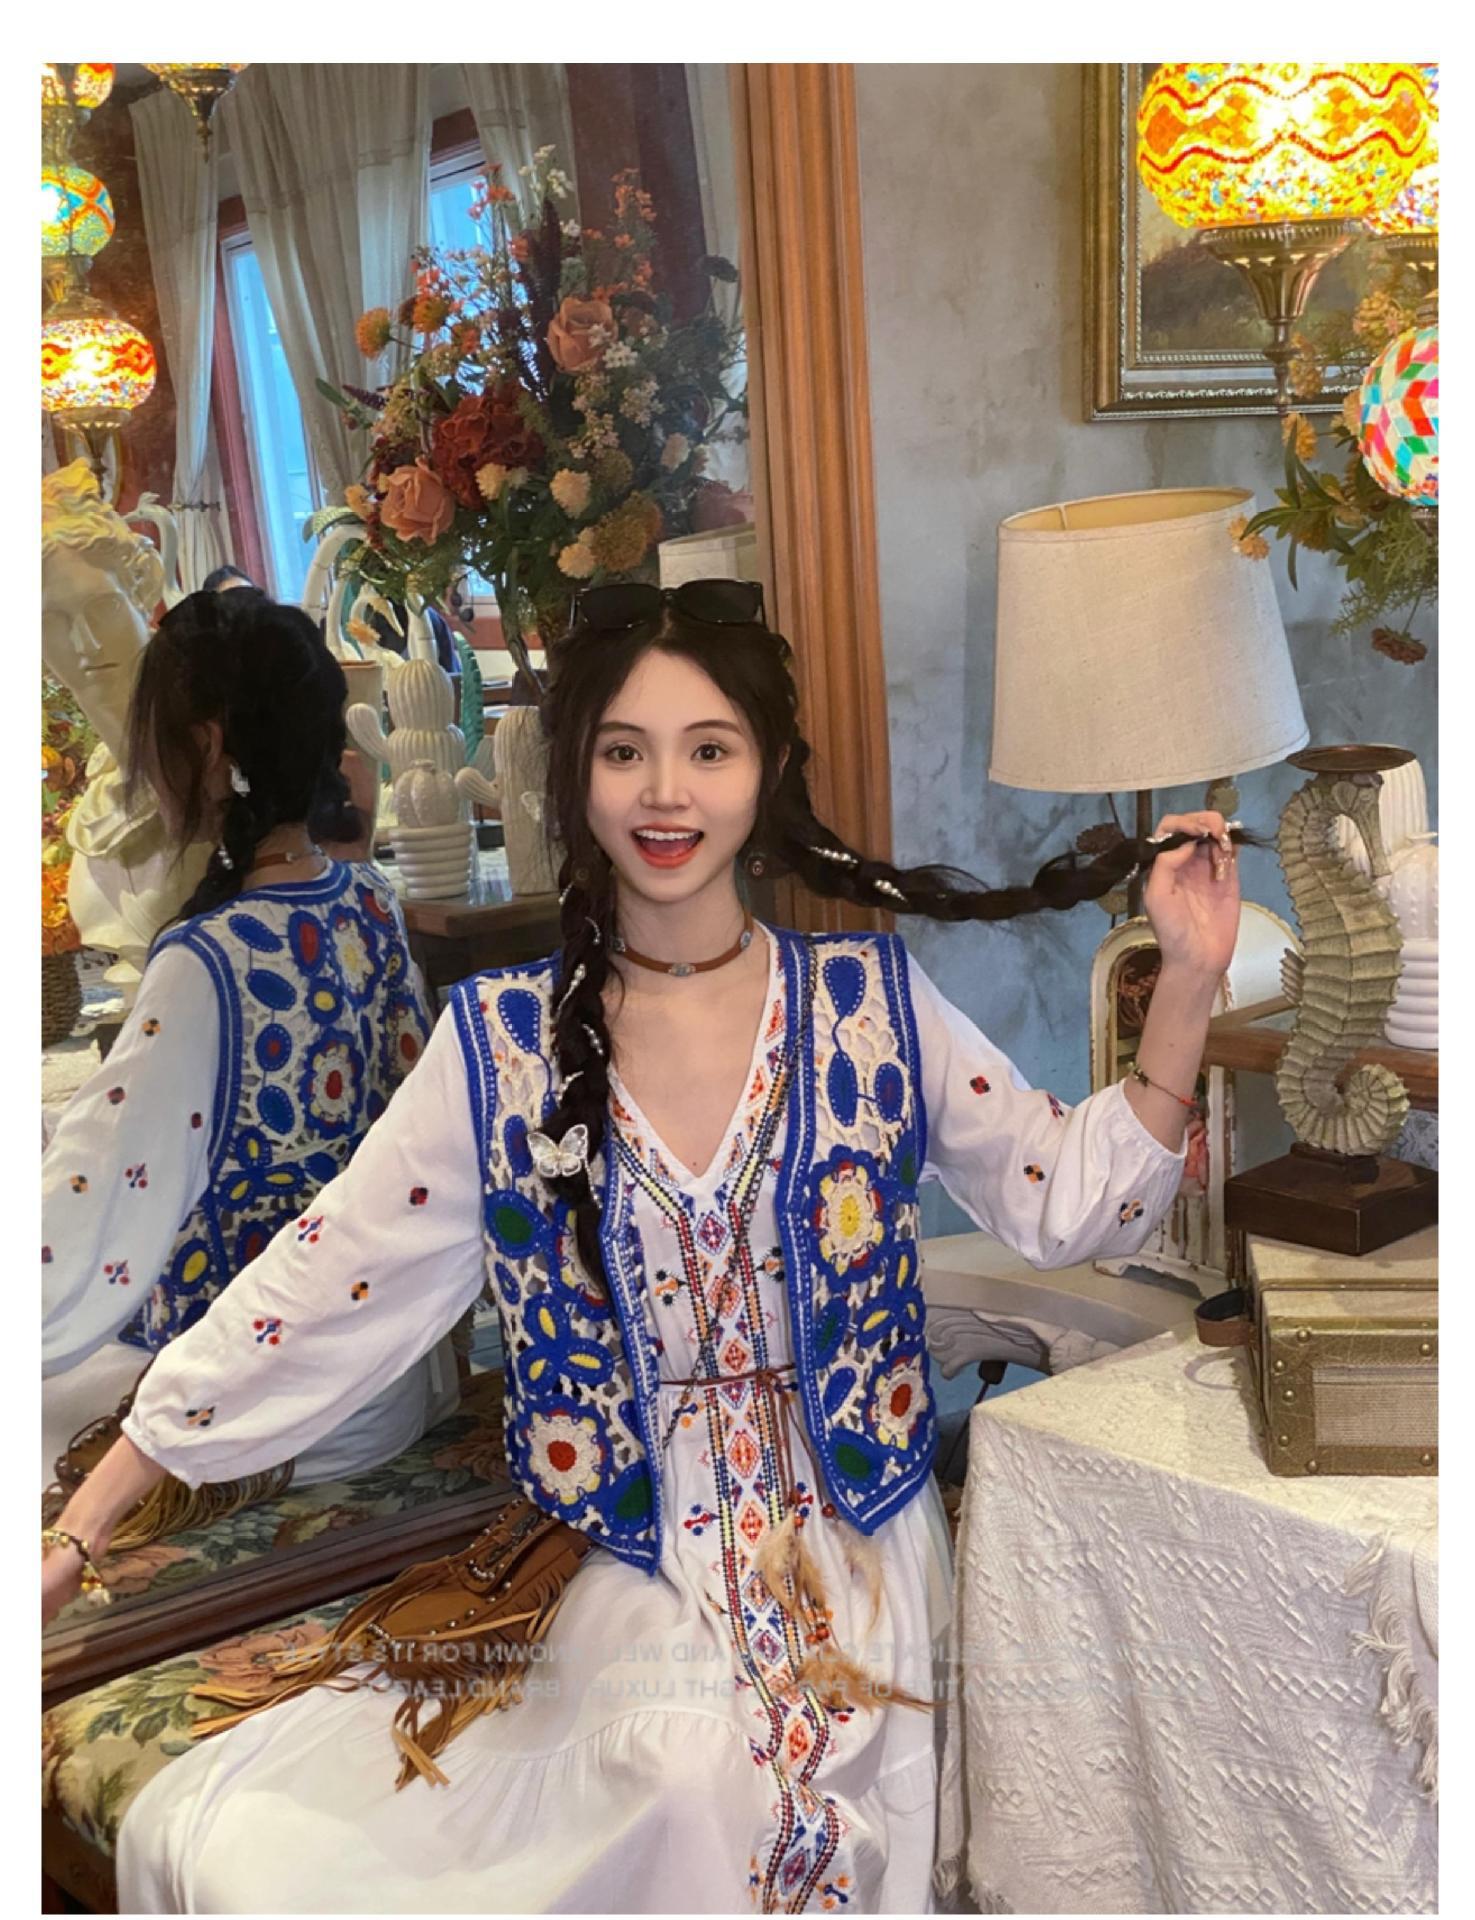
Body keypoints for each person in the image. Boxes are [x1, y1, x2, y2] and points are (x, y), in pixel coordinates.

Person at [43, 579, 1239, 1914]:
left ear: (765, 771)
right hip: (634, 1541)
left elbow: (1069, 1201)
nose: (665, 792)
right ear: (576, 776)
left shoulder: (868, 1006)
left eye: (706, 748)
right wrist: (87, 1525)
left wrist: (1187, 980)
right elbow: (325, 1281)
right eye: (625, 750)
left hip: (858, 1539)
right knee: (678, 1775)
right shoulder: (501, 1047)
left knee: (791, 1791)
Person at [41, 589, 458, 1498]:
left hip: (270, 1411)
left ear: (207, 746)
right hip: (384, 1380)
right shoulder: (371, 900)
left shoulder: (208, 960)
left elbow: (87, 1207)